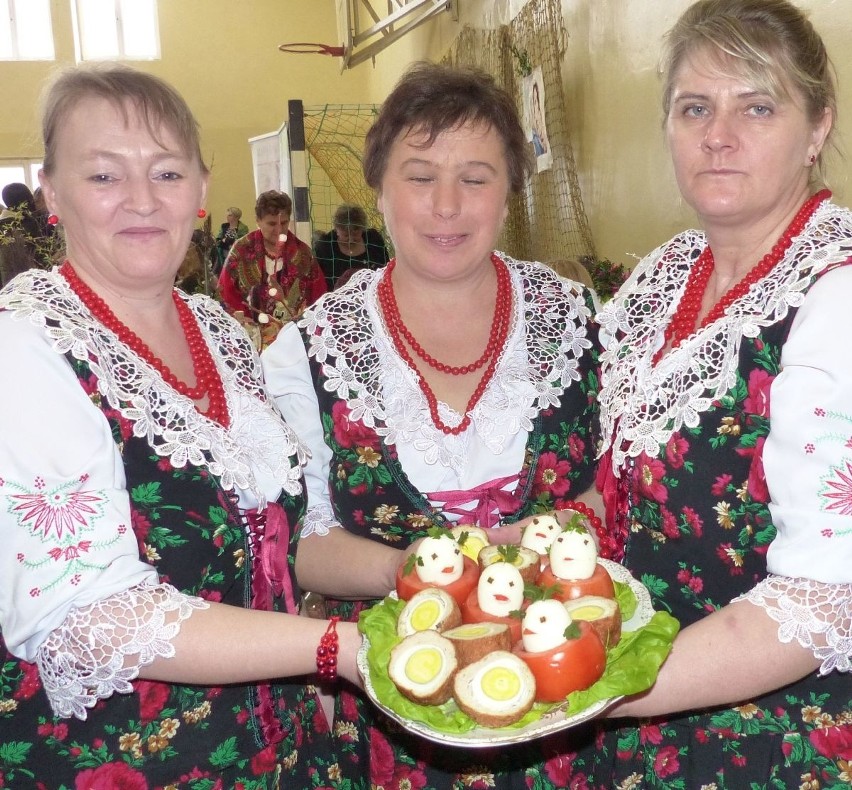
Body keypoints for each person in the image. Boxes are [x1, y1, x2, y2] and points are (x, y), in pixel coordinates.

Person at [0, 63, 366, 788]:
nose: (141, 200)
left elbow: (273, 539)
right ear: (51, 192)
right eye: (104, 176)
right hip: (130, 762)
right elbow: (92, 616)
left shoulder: (218, 334)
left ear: (201, 188)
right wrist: (338, 650)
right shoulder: (26, 352)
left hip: (283, 754)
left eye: (167, 173)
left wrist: (412, 573)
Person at [263, 61, 601, 788]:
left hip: (571, 703)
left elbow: (622, 486)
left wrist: (543, 543)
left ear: (510, 190)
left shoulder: (578, 320)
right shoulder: (310, 351)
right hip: (399, 712)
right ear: (378, 187)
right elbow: (302, 543)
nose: (447, 205)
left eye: (475, 177)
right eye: (420, 176)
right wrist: (422, 575)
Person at [591, 1, 851, 786]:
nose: (718, 135)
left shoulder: (835, 299)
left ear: (817, 130)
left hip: (777, 741)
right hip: (645, 720)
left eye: (758, 106)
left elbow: (824, 602)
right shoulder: (664, 280)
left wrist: (591, 693)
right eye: (695, 107)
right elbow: (623, 489)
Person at [218, 189, 326, 350]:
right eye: (271, 224)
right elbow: (226, 293)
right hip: (249, 341)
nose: (279, 230)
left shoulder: (303, 254)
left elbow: (318, 299)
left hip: (292, 343)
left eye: (284, 223)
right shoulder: (241, 250)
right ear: (258, 221)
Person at [313, 203, 390, 290]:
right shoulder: (325, 247)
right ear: (336, 229)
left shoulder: (374, 240)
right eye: (346, 235)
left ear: (363, 228)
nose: (351, 239)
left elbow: (386, 271)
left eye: (355, 234)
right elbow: (319, 283)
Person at [212, 205, 248, 273]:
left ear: (236, 217)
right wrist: (226, 241)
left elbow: (241, 242)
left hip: (236, 255)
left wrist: (226, 240)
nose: (227, 217)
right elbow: (218, 239)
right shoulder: (224, 226)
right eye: (227, 215)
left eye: (230, 215)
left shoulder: (243, 228)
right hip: (222, 253)